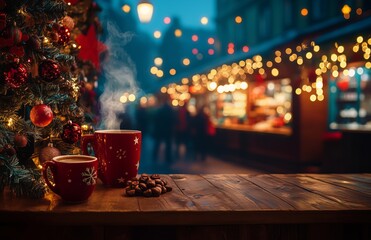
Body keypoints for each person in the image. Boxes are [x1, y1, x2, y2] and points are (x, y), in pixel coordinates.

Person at [152, 95, 176, 163]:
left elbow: (156, 119)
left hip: (160, 129)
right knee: (168, 145)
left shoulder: (160, 110)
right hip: (168, 129)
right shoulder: (170, 110)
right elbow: (173, 119)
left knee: (157, 143)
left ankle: (154, 156)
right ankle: (168, 158)